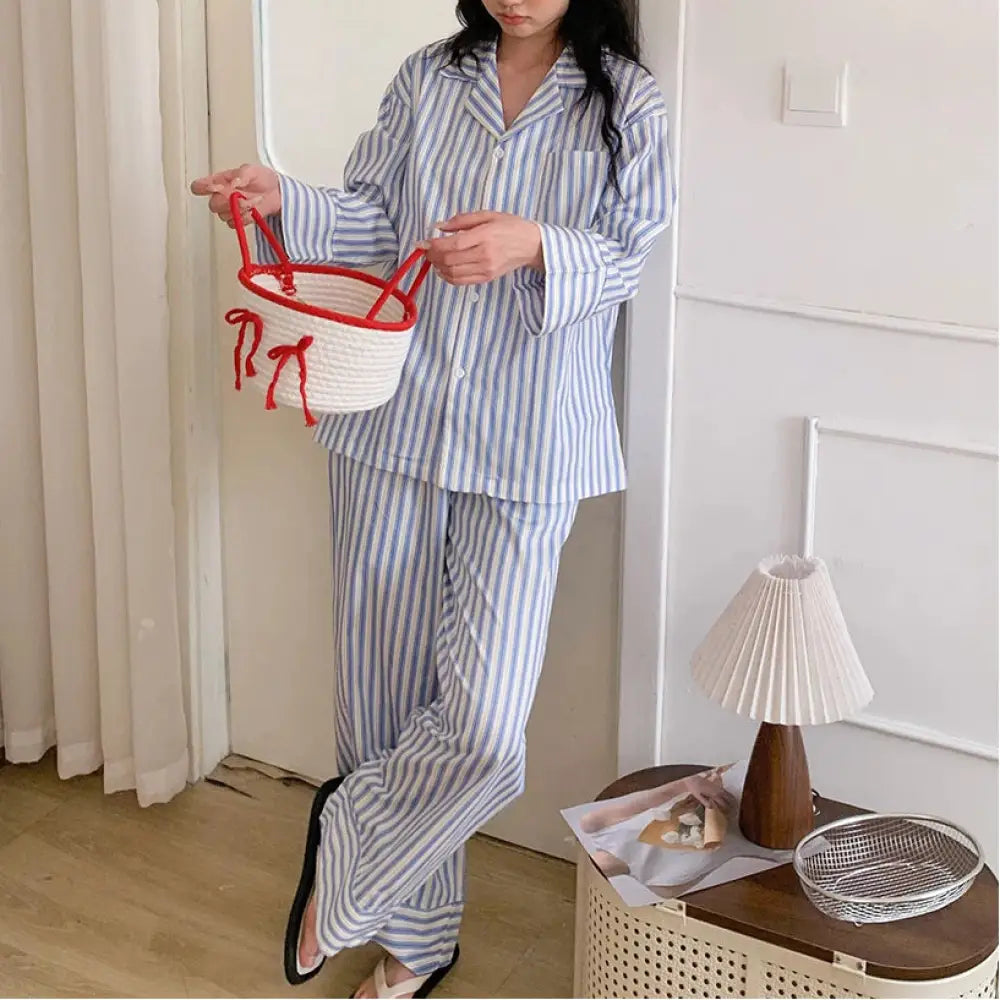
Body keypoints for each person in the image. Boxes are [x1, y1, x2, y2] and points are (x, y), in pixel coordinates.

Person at [192, 0, 672, 995]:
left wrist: (535, 245)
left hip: (530, 439)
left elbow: (632, 254)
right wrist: (282, 196)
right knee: (380, 702)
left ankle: (348, 842)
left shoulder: (628, 102)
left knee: (484, 729)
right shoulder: (428, 77)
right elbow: (376, 218)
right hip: (393, 419)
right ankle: (417, 940)